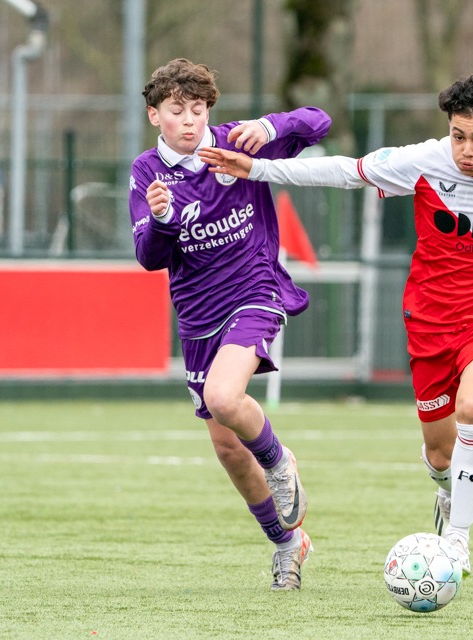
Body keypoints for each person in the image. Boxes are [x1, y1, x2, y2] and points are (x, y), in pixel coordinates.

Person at [199, 73, 473, 575]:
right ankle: (448, 489)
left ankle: (457, 539)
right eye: (458, 136)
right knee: (439, 453)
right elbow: (344, 171)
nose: (466, 150)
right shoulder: (424, 161)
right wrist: (256, 169)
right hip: (431, 314)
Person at [129, 58, 331, 589]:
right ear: (155, 116)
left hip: (254, 291)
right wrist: (163, 221)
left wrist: (271, 126)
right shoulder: (147, 172)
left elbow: (320, 122)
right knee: (225, 448)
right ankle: (288, 543)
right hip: (197, 315)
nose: (191, 121)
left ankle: (280, 461)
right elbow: (149, 258)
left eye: (198, 109)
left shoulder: (238, 144)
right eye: (177, 111)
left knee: (224, 396)